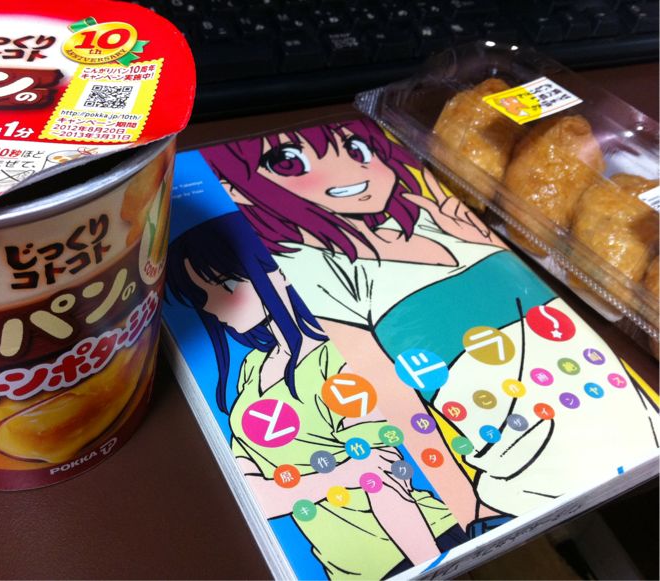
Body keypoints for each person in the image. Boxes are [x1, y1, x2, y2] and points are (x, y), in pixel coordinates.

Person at [199, 119, 660, 521]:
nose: (351, 171)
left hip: (616, 405)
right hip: (525, 457)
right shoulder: (323, 272)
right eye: (289, 163)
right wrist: (464, 505)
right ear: (239, 189)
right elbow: (391, 392)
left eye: (357, 150)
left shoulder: (437, 217)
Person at [167, 212, 466, 579]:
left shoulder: (335, 362)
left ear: (280, 270)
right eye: (202, 296)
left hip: (413, 553)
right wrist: (342, 475)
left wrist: (427, 566)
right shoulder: (252, 370)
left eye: (227, 283)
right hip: (345, 569)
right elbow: (255, 492)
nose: (213, 307)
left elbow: (385, 482)